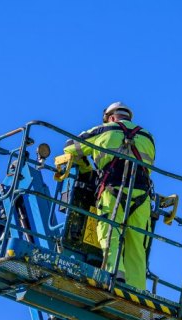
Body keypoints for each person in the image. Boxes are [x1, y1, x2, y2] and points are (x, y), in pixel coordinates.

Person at [65, 101, 155, 290]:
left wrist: (86, 165)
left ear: (111, 117)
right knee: (137, 245)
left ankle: (115, 276)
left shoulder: (103, 131)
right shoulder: (148, 137)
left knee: (110, 234)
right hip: (142, 196)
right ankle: (138, 289)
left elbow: (70, 146)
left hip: (112, 191)